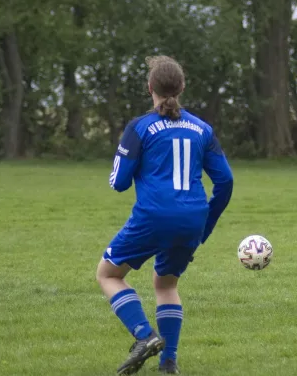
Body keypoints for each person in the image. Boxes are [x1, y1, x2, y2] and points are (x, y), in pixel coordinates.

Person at [96, 55, 233, 375]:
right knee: (166, 284)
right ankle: (168, 362)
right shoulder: (202, 128)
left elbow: (119, 183)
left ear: (150, 88)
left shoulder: (139, 127)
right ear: (182, 87)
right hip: (193, 218)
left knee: (108, 274)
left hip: (154, 215)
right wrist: (205, 227)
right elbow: (225, 181)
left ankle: (145, 336)